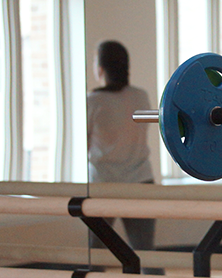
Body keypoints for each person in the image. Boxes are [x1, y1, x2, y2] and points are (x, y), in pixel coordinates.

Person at [86, 40, 164, 275]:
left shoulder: (93, 101)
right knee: (146, 254)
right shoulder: (141, 96)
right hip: (140, 182)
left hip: (104, 185)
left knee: (95, 254)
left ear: (100, 68)